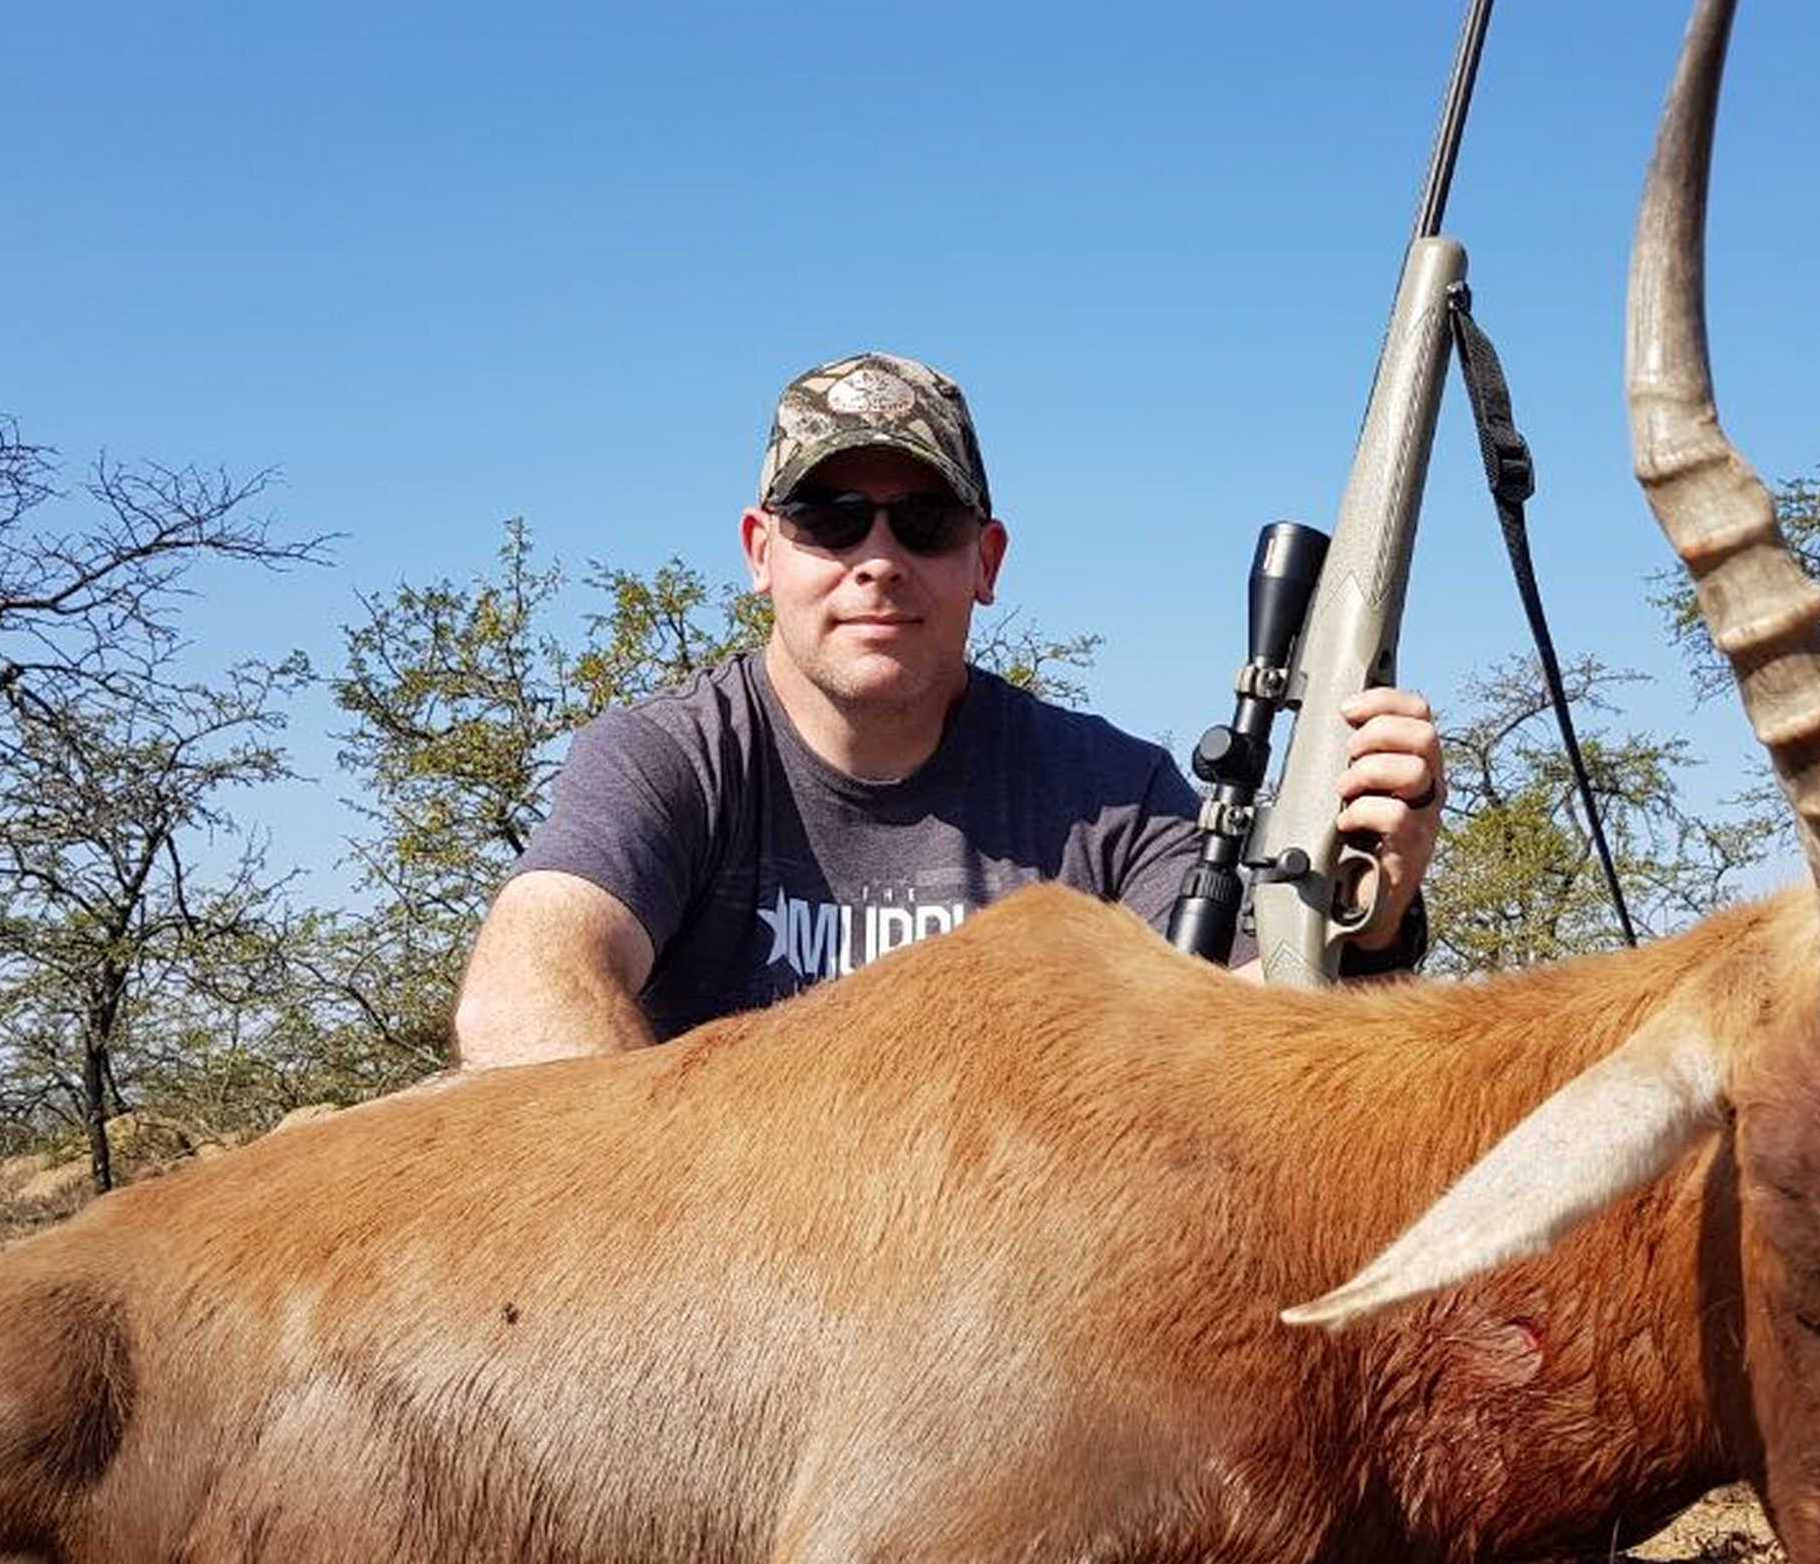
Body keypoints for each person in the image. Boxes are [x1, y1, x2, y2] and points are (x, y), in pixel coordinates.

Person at [452, 351, 1446, 1060]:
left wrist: (1369, 924)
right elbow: (525, 987)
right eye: (830, 520)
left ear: (986, 562)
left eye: (925, 522)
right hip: (720, 1295)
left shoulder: (1112, 792)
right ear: (762, 553)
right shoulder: (667, 756)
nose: (878, 561)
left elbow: (1237, 1027)